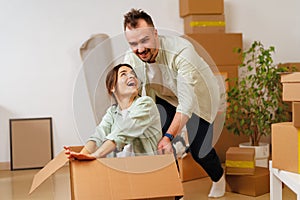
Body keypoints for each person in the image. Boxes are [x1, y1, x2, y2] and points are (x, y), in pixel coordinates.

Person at [123, 9, 225, 198]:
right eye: (133, 44)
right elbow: (130, 99)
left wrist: (169, 135)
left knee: (199, 150)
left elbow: (187, 102)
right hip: (165, 97)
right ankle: (177, 193)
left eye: (144, 40)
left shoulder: (182, 51)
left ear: (155, 34)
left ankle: (218, 177)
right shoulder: (131, 60)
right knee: (163, 148)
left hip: (198, 99)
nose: (140, 49)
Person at [65, 63, 162, 160]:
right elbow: (98, 136)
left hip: (144, 169)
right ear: (112, 87)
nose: (132, 76)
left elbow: (122, 133)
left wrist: (95, 155)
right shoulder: (112, 112)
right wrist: (81, 156)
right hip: (119, 169)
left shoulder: (145, 104)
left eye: (133, 74)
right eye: (123, 74)